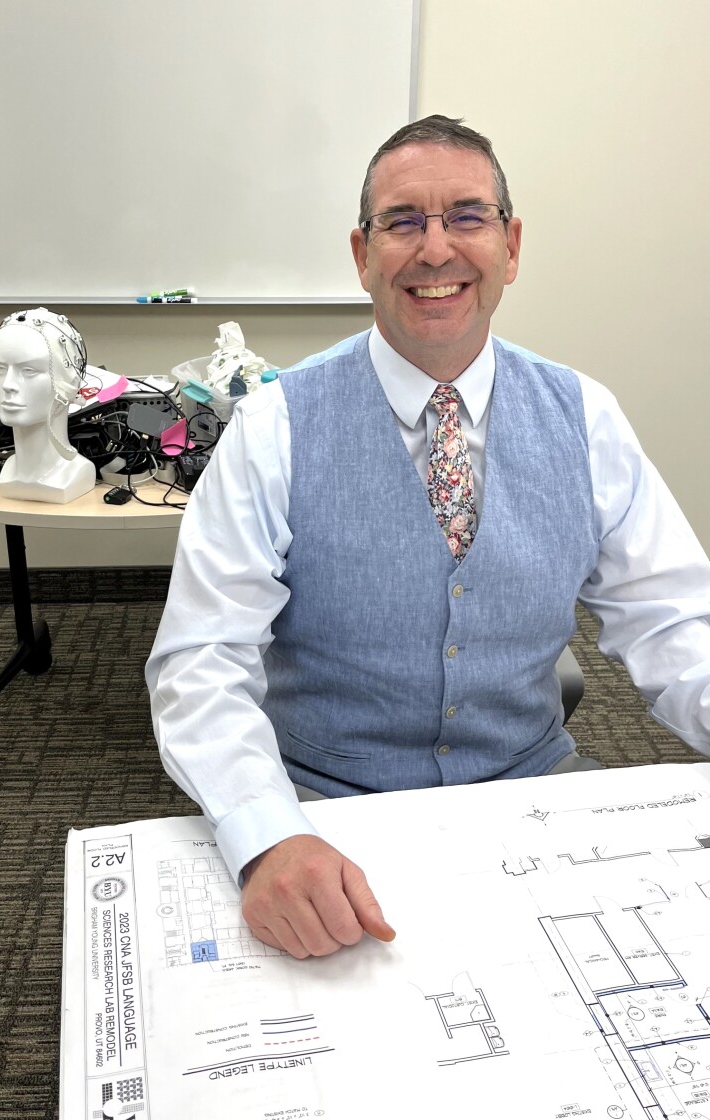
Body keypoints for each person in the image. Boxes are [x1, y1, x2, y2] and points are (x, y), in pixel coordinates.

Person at [146, 114, 710, 961]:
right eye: (402, 222)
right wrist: (266, 833)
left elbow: (676, 624)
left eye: (467, 218)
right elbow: (201, 658)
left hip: (533, 790)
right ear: (362, 254)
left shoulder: (586, 417)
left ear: (511, 247)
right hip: (323, 807)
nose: (435, 249)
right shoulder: (275, 426)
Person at [0, 307, 95, 503]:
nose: (8, 385)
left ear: (71, 381)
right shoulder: (7, 471)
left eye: (28, 370)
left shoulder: (76, 474)